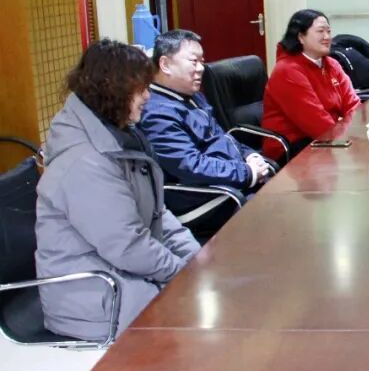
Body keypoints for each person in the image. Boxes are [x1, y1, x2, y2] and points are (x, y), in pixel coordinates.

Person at [35, 40, 200, 341]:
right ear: (113, 90)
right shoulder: (85, 161)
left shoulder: (117, 137)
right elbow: (128, 246)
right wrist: (183, 274)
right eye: (141, 89)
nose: (148, 96)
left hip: (124, 276)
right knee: (197, 327)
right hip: (96, 298)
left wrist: (196, 259)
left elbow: (156, 213)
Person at [139, 30, 274, 234]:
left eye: (202, 61)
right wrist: (246, 173)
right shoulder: (157, 112)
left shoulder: (193, 96)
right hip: (199, 197)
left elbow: (222, 137)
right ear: (165, 64)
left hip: (225, 181)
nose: (201, 68)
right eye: (194, 61)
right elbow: (190, 166)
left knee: (284, 192)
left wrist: (250, 155)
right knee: (274, 213)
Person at [262, 9, 360, 158]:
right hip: (293, 146)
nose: (327, 37)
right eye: (320, 31)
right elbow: (317, 124)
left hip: (326, 138)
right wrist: (349, 136)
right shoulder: (287, 71)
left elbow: (353, 105)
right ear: (301, 37)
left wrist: (357, 131)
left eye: (328, 31)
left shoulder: (331, 64)